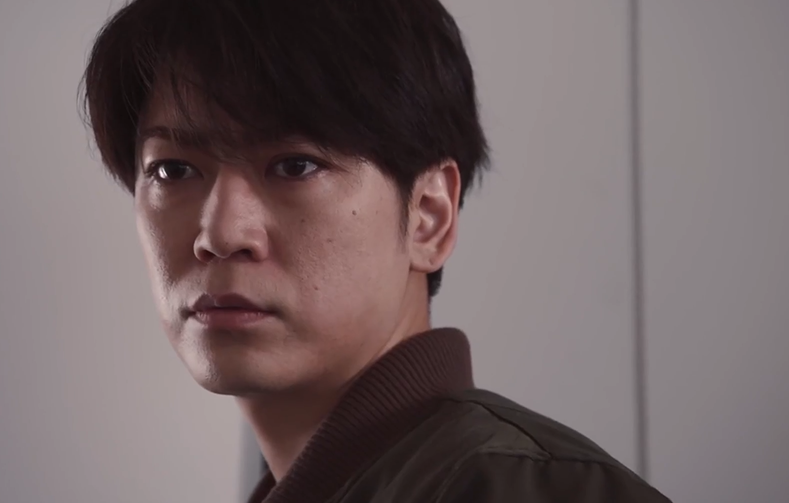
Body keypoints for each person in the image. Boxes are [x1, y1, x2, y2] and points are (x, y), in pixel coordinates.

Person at [80, 0, 671, 502]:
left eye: (295, 165)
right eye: (173, 170)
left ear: (429, 217)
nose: (219, 235)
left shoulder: (524, 489)